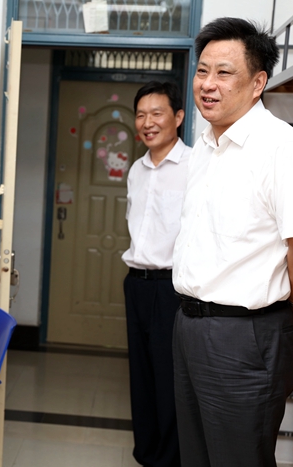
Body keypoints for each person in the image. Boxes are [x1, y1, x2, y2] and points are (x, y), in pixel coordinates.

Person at [171, 17, 293, 467]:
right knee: (197, 457)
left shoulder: (282, 148)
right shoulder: (204, 144)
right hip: (190, 326)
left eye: (224, 73)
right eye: (202, 71)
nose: (208, 84)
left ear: (258, 83)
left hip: (244, 336)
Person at [121, 81, 189, 467]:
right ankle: (147, 456)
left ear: (178, 117)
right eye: (141, 115)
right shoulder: (136, 169)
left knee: (170, 379)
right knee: (141, 377)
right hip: (137, 284)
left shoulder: (196, 166)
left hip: (173, 289)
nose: (147, 122)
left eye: (157, 113)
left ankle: (169, 460)